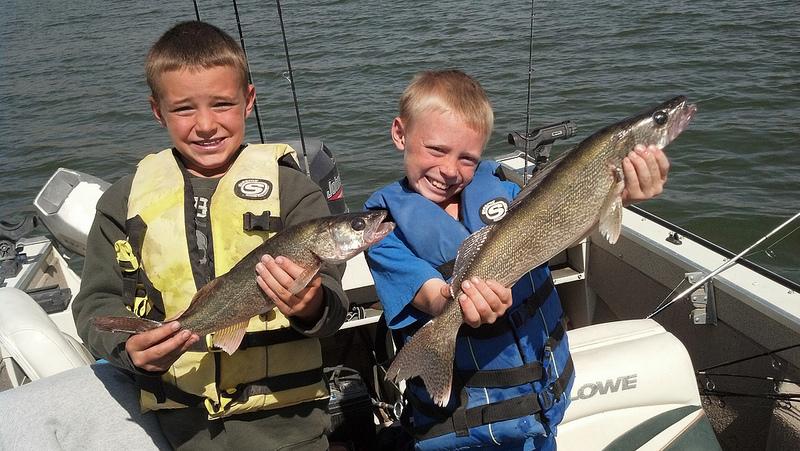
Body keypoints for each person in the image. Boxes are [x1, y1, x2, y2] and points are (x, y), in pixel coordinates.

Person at [69, 21, 348, 450]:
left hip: (291, 430)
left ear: (248, 101)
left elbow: (332, 303)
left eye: (222, 104)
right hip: (185, 433)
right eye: (183, 109)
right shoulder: (123, 201)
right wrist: (129, 348)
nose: (205, 125)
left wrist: (311, 306)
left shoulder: (294, 190)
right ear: (157, 110)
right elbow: (96, 303)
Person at [364, 70, 669, 450]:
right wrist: (458, 305)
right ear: (400, 134)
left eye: (467, 159)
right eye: (436, 149)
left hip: (541, 413)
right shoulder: (383, 229)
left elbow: (567, 222)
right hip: (465, 433)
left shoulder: (508, 194)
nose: (448, 169)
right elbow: (432, 296)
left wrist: (617, 196)